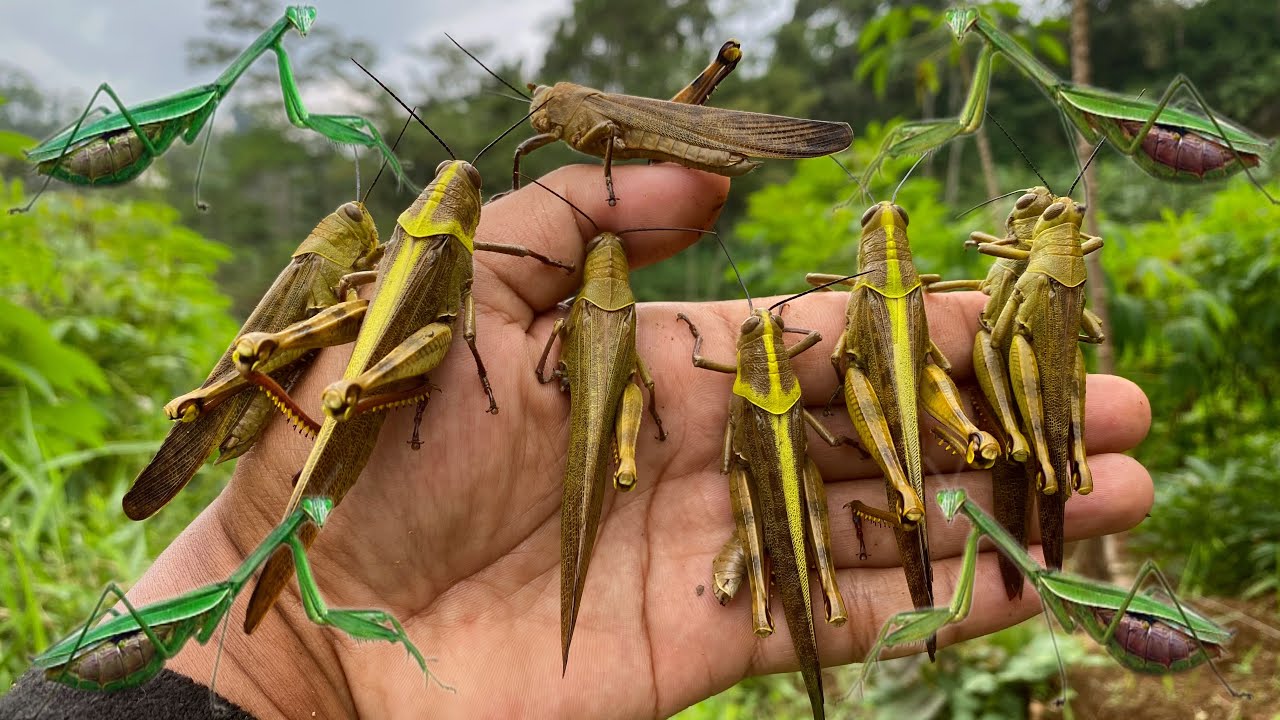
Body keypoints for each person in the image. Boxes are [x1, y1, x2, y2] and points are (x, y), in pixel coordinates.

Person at [2, 164, 1153, 718]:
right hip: (574, 410)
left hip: (806, 412)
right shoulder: (462, 279)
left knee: (872, 474)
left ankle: (971, 494)